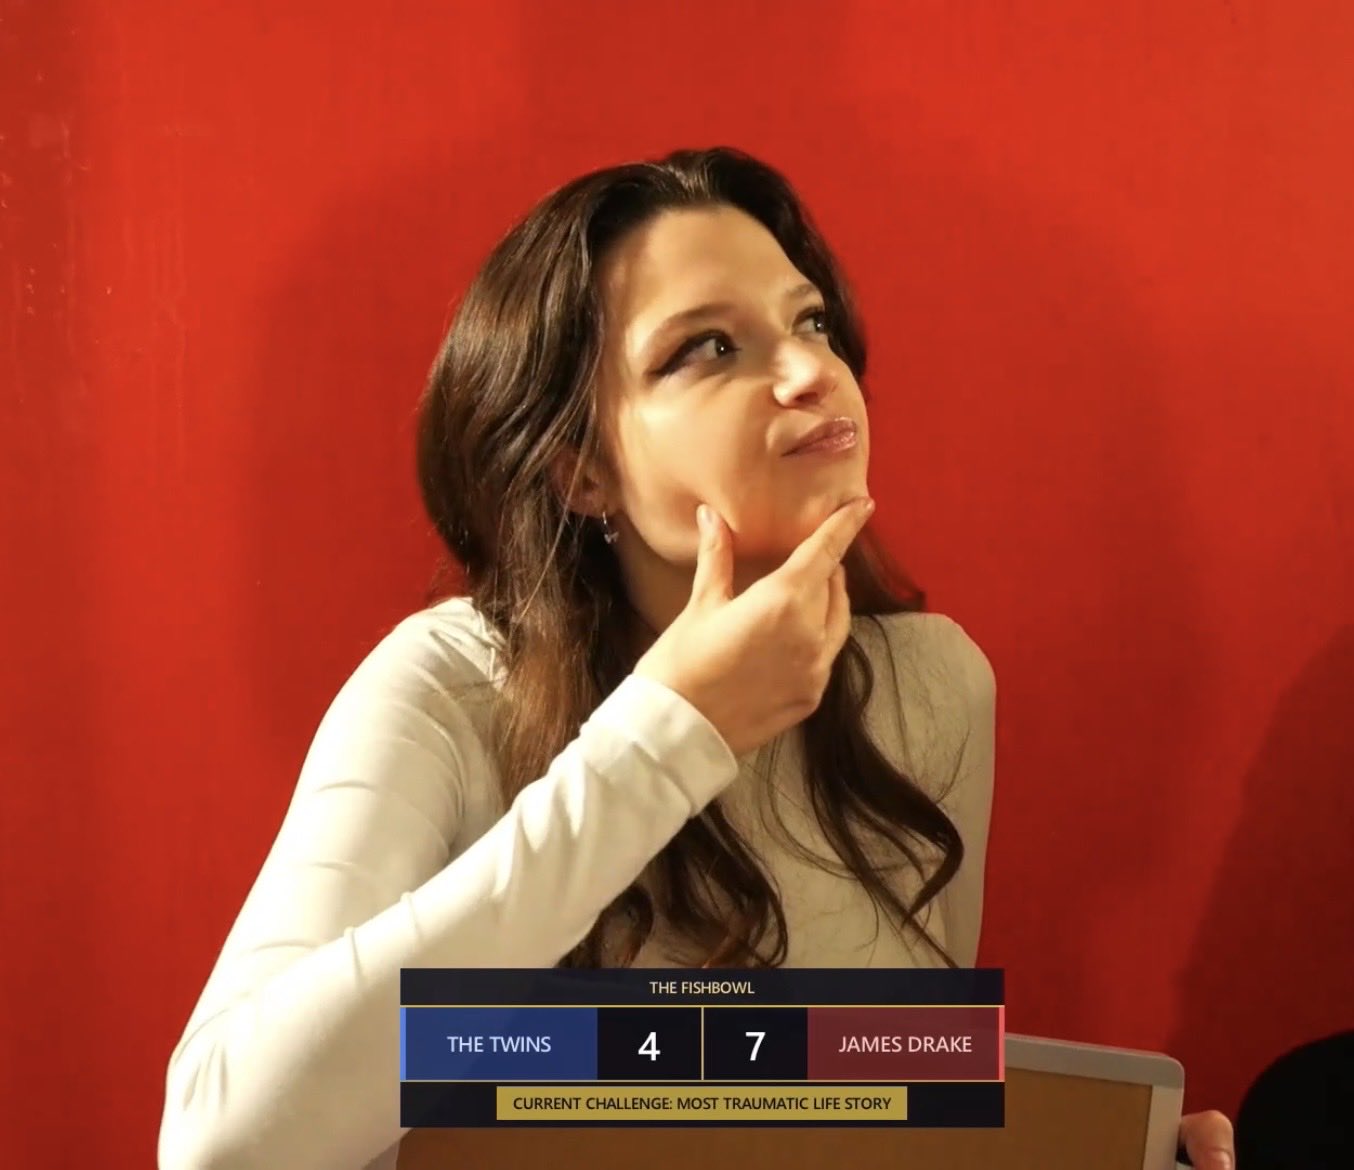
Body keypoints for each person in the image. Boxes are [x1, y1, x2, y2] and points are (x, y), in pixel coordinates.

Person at [156, 146, 1235, 1170]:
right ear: (581, 470)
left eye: (811, 320)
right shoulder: (445, 685)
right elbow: (220, 1140)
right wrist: (668, 736)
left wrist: (1082, 1142)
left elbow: (881, 1106)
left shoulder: (930, 686)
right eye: (708, 348)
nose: (811, 371)